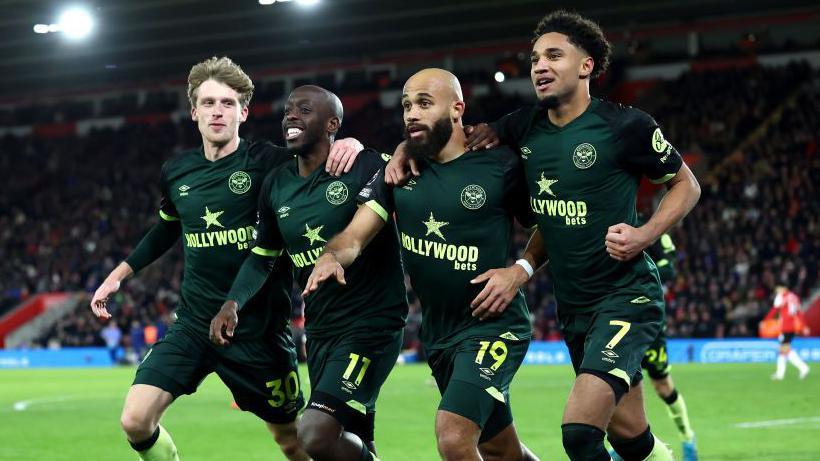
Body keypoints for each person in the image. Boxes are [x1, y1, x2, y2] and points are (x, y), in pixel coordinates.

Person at [387, 10, 701, 461]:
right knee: (631, 435)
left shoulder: (626, 126)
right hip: (573, 306)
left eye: (554, 55)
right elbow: (451, 136)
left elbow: (686, 184)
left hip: (625, 295)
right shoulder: (520, 127)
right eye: (535, 57)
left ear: (586, 65)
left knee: (579, 433)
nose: (539, 66)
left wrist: (644, 234)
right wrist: (403, 147)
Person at [90, 57, 363, 461]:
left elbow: (322, 154)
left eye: (228, 103)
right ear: (194, 111)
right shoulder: (178, 172)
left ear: (244, 112)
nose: (218, 111)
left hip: (258, 332)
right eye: (209, 102)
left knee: (293, 441)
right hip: (194, 325)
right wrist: (120, 273)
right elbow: (167, 227)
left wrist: (351, 144)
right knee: (135, 420)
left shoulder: (270, 162)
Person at [303, 68, 540, 461]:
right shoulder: (398, 172)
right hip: (439, 335)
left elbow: (548, 224)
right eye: (407, 105)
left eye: (425, 104)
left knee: (453, 437)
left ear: (457, 108)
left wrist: (521, 270)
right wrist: (331, 256)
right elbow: (355, 235)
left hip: (493, 326)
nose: (412, 113)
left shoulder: (501, 165)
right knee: (501, 448)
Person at [211, 85, 407, 461]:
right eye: (288, 110)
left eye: (304, 109)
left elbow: (406, 163)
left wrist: (374, 147)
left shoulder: (363, 164)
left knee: (314, 433)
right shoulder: (277, 184)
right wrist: (232, 303)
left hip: (372, 323)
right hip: (321, 330)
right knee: (352, 438)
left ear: (332, 123)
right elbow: (262, 256)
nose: (291, 116)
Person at [610, 223, 698, 461]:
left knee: (663, 386)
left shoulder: (650, 229)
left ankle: (688, 437)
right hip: (617, 320)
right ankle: (629, 446)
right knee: (616, 387)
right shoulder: (603, 226)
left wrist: (639, 262)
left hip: (649, 323)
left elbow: (669, 269)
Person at [762, 284, 810, 380]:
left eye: (778, 289)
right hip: (792, 327)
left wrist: (765, 320)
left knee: (785, 349)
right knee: (782, 350)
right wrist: (804, 326)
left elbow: (775, 309)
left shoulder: (782, 297)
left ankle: (803, 368)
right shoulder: (794, 297)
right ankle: (780, 374)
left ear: (783, 288)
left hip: (786, 327)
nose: (777, 291)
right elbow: (799, 313)